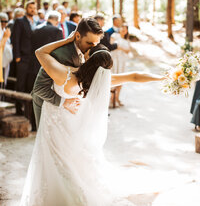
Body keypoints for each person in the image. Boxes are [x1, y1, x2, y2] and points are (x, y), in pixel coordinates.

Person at [20, 35, 164, 206]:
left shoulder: (64, 74)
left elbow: (40, 53)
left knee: (52, 160)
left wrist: (68, 40)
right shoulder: (100, 82)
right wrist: (163, 78)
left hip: (53, 122)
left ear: (88, 59)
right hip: (73, 127)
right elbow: (134, 76)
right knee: (70, 163)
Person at [31, 17, 104, 129]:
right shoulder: (59, 55)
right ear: (78, 36)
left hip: (69, 110)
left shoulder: (88, 52)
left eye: (96, 44)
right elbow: (39, 89)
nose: (93, 49)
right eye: (89, 43)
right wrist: (64, 102)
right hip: (49, 109)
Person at [27, 10, 63, 93]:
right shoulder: (57, 30)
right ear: (57, 21)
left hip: (34, 63)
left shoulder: (36, 28)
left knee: (33, 88)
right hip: (48, 65)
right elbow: (59, 51)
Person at [11, 1, 37, 115]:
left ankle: (27, 110)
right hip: (22, 57)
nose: (32, 10)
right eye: (30, 8)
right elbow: (15, 39)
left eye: (34, 8)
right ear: (26, 9)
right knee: (20, 84)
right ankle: (18, 109)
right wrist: (17, 56)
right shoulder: (20, 21)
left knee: (29, 84)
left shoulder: (37, 22)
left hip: (33, 59)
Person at [111, 24, 131, 107]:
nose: (123, 30)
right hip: (114, 60)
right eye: (122, 28)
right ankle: (112, 98)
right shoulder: (114, 35)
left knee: (121, 80)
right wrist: (118, 47)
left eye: (125, 29)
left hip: (122, 61)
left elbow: (127, 50)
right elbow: (111, 45)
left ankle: (117, 98)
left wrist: (120, 47)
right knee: (113, 79)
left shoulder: (126, 40)